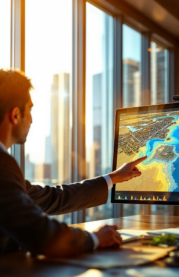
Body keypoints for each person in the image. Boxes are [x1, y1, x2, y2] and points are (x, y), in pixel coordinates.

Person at [0, 69, 146, 257]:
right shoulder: (3, 166)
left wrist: (113, 178)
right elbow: (39, 234)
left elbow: (52, 198)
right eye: (29, 110)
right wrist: (94, 239)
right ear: (15, 115)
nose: (32, 119)